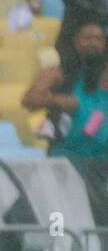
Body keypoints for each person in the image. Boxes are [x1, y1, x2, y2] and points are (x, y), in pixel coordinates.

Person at [24, 19, 108, 155]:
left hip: (102, 161)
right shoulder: (59, 72)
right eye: (87, 38)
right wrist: (57, 101)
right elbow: (29, 100)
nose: (93, 43)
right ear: (76, 42)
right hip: (66, 157)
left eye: (98, 39)